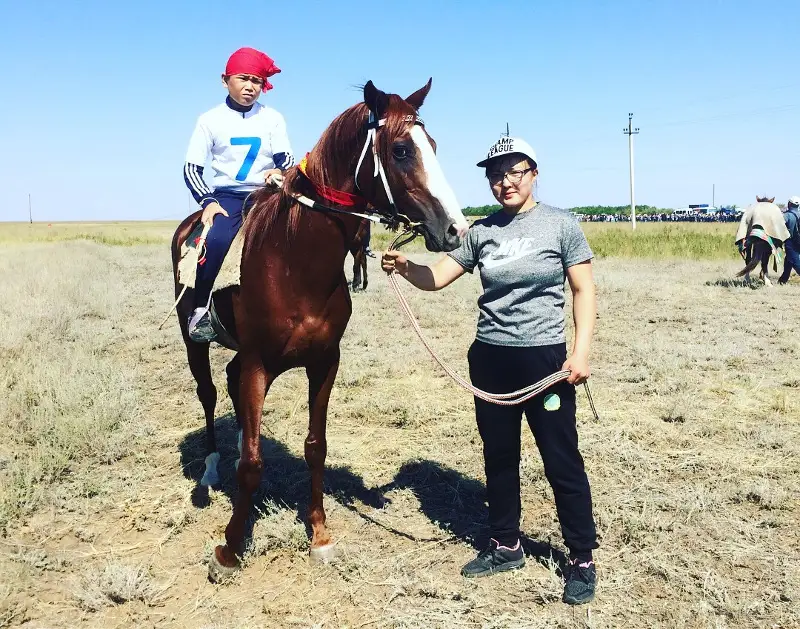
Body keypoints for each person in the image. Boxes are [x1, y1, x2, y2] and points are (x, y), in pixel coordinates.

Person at [382, 137, 599, 605]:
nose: (505, 182)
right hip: (490, 358)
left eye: (514, 172)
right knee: (499, 456)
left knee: (561, 459)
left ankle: (580, 556)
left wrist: (579, 353)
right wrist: (405, 267)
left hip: (545, 361)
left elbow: (583, 290)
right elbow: (437, 278)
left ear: (533, 172)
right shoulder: (481, 232)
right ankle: (505, 544)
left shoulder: (561, 225)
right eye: (496, 175)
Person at [183, 47, 294, 342]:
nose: (250, 87)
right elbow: (192, 169)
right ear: (225, 80)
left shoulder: (273, 118)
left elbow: (287, 159)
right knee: (216, 240)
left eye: (257, 81)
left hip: (268, 194)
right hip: (228, 196)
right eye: (243, 78)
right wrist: (207, 202)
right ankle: (200, 310)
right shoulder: (209, 120)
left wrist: (279, 172)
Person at [778, 196, 800, 285]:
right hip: (798, 241)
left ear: (789, 204)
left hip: (791, 242)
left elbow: (779, 227)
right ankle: (783, 280)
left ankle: (783, 280)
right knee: (788, 260)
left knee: (795, 262)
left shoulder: (787, 215)